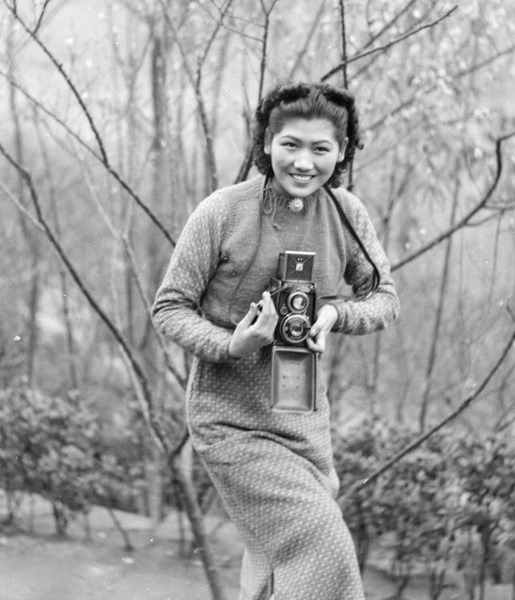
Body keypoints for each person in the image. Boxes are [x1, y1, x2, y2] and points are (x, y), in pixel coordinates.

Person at [152, 82, 399, 600]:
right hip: (230, 419)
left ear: (342, 151)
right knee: (320, 541)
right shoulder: (222, 211)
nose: (304, 162)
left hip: (306, 421)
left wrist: (335, 312)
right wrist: (229, 345)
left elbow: (386, 299)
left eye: (321, 148)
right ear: (266, 143)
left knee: (274, 561)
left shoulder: (347, 216)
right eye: (290, 144)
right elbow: (169, 308)